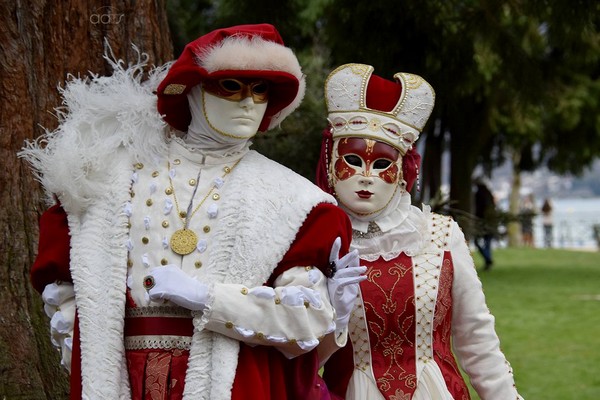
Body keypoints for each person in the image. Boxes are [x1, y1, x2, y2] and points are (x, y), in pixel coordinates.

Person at [20, 24, 364, 400]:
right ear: (193, 89)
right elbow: (64, 286)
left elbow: (305, 322)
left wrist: (208, 298)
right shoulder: (109, 178)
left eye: (261, 90)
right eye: (231, 86)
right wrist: (83, 351)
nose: (249, 103)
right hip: (121, 381)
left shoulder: (296, 201)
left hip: (232, 383)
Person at [316, 63, 523, 399]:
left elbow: (476, 339)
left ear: (402, 170)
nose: (366, 176)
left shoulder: (439, 236)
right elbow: (296, 354)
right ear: (330, 161)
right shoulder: (316, 241)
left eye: (382, 163)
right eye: (352, 160)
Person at [474, 176, 497, 270]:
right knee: (487, 243)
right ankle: (488, 259)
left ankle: (488, 259)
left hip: (482, 222)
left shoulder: (478, 194)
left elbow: (478, 209)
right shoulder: (489, 193)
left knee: (478, 242)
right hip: (491, 222)